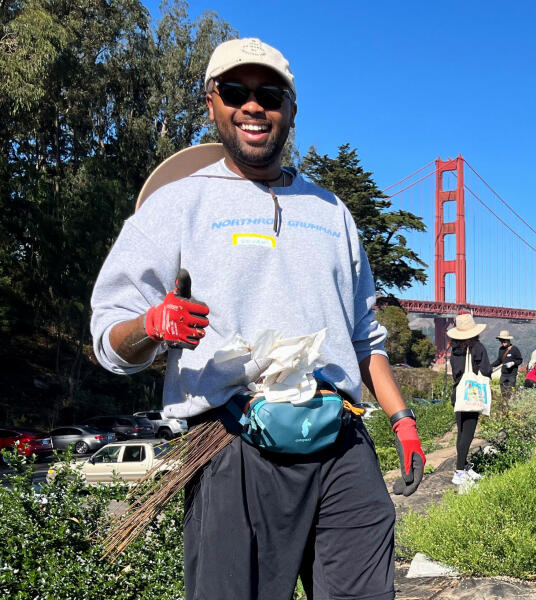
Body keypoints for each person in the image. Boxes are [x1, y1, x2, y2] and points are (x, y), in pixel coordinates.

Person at [88, 38, 421, 599]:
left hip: (340, 438)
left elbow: (366, 337)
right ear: (211, 103)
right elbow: (107, 339)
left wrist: (403, 419)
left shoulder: (332, 213)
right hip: (230, 444)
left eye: (269, 94)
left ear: (291, 110)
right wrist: (151, 325)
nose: (253, 106)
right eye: (235, 92)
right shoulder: (176, 206)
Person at [446, 313, 492, 486]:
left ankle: (464, 466)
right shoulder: (478, 347)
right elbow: (486, 370)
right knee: (469, 434)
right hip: (472, 395)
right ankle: (458, 472)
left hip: (458, 394)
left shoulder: (454, 350)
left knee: (461, 432)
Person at [490, 330, 522, 398]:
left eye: (504, 341)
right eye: (501, 341)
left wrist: (513, 363)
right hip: (504, 374)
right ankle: (504, 404)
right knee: (503, 392)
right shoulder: (501, 349)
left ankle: (510, 404)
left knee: (510, 392)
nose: (502, 343)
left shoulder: (514, 349)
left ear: (508, 340)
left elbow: (520, 360)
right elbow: (499, 360)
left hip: (512, 375)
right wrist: (491, 365)